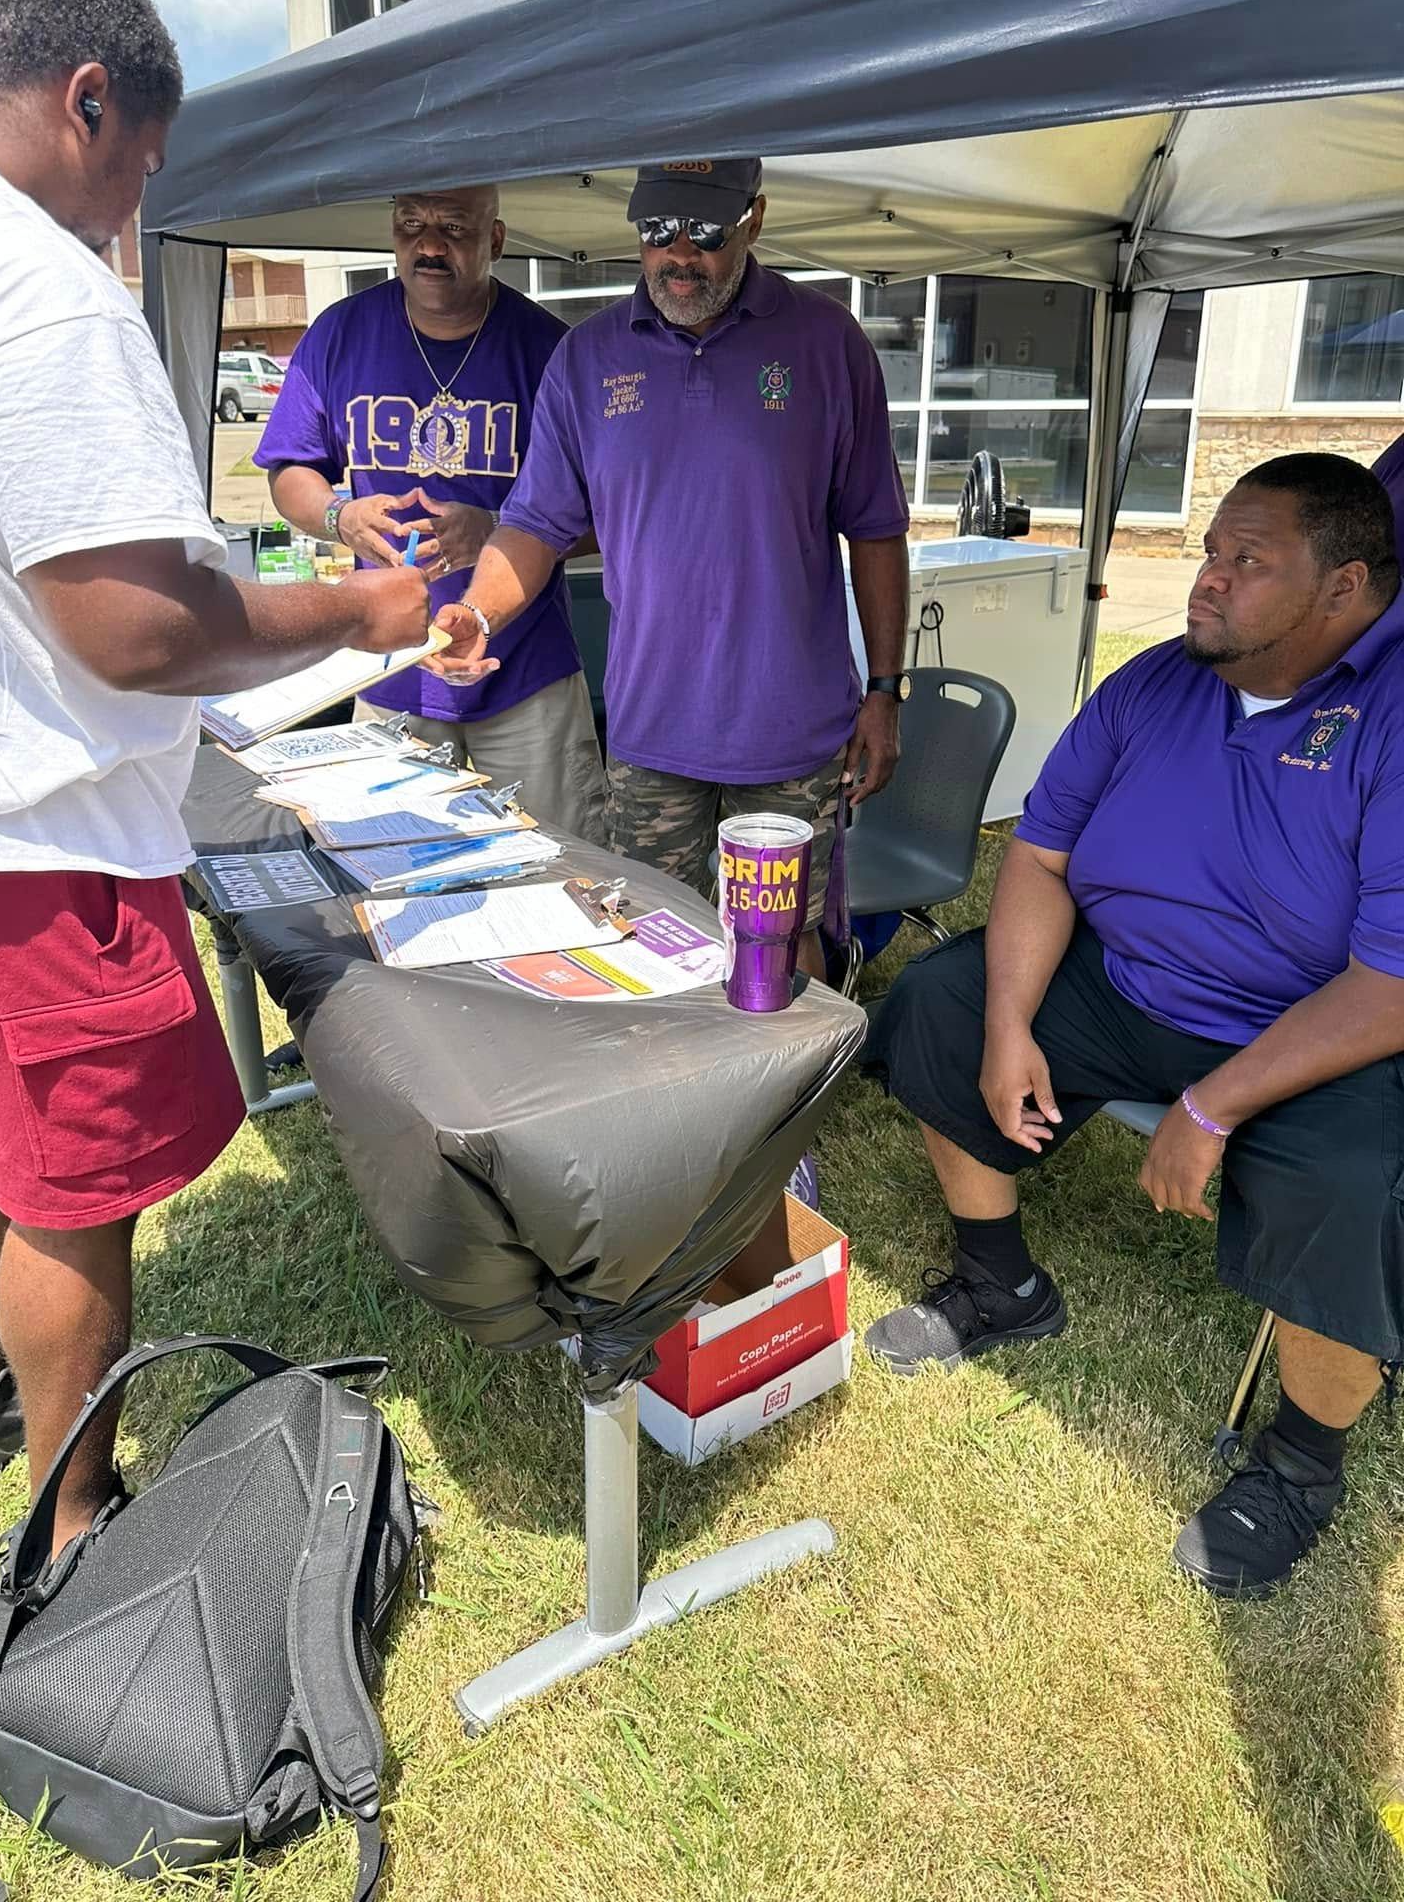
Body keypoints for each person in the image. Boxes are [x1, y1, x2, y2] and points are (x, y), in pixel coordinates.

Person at [0, 0, 434, 1558]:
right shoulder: (28, 278)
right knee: (71, 1186)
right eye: (138, 169)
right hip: (21, 828)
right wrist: (354, 611)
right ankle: (76, 1523)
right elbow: (138, 627)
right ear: (84, 97)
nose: (131, 211)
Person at [862, 453, 1404, 1599]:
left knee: (1355, 1184)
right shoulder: (1155, 682)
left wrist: (1213, 1106)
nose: (1207, 579)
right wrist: (1011, 1021)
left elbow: (1388, 986)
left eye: (1248, 561)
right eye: (1211, 550)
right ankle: (1000, 1282)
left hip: (1306, 1028)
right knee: (937, 1003)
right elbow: (1043, 854)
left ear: (1345, 588)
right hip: (1128, 978)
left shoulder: (1393, 714)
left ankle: (1302, 1462)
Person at [425, 159, 910, 975]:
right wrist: (477, 612)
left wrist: (886, 693)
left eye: (704, 232)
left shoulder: (828, 344)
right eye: (656, 231)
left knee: (783, 949)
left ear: (753, 220)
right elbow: (537, 524)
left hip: (791, 736)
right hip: (652, 735)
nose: (678, 254)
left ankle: (791, 1096)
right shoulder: (586, 360)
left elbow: (877, 531)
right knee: (653, 946)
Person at [256, 186, 606, 842]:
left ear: (495, 241)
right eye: (410, 226)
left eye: (452, 228)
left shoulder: (551, 351)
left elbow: (613, 515)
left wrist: (501, 530)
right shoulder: (341, 332)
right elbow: (290, 472)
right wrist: (341, 516)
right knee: (390, 871)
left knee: (559, 870)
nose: (429, 246)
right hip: (389, 668)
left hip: (525, 675)